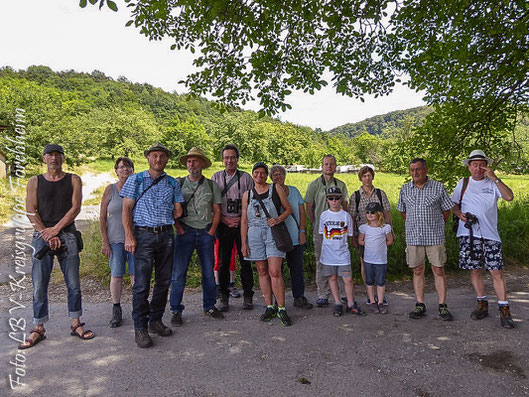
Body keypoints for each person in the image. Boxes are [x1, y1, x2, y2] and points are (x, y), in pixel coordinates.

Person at [20, 144, 94, 349]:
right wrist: (46, 232)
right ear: (44, 159)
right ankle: (38, 328)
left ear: (62, 158)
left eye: (57, 155)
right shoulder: (34, 181)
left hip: (67, 234)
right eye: (50, 155)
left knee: (73, 283)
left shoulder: (74, 179)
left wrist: (56, 230)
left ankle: (75, 323)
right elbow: (31, 211)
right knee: (39, 284)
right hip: (41, 235)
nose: (54, 158)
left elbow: (76, 207)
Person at [121, 143, 184, 348]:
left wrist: (174, 209)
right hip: (143, 236)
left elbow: (178, 210)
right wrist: (129, 236)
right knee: (141, 285)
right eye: (154, 156)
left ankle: (155, 320)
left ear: (167, 160)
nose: (158, 159)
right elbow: (126, 209)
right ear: (148, 158)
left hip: (166, 235)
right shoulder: (136, 179)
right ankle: (140, 327)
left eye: (162, 156)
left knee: (164, 282)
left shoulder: (172, 182)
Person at [451, 150, 515, 328]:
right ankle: (482, 303)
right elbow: (453, 203)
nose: (478, 168)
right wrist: (460, 215)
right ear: (469, 167)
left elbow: (509, 197)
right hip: (469, 235)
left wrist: (495, 178)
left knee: (496, 272)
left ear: (486, 166)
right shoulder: (463, 183)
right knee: (475, 270)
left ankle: (504, 309)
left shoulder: (493, 183)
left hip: (490, 235)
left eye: (481, 164)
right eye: (475, 164)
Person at [170, 147, 224, 325]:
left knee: (208, 273)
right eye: (189, 161)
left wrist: (211, 230)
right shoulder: (179, 184)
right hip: (184, 231)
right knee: (178, 273)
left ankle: (209, 306)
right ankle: (176, 310)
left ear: (202, 163)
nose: (191, 164)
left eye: (195, 161)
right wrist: (178, 228)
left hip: (205, 232)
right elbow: (172, 208)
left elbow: (217, 210)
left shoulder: (211, 185)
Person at [397, 158, 455, 321]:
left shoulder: (438, 187)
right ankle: (420, 304)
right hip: (414, 236)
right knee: (417, 270)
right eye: (412, 170)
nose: (415, 173)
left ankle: (442, 305)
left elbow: (446, 211)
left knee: (438, 270)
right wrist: (414, 224)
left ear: (426, 170)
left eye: (418, 169)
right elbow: (403, 212)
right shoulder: (405, 189)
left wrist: (434, 225)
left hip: (434, 237)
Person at [241, 162, 294, 326]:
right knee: (262, 271)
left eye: (262, 173)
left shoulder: (275, 189)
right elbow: (244, 220)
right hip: (254, 233)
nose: (259, 176)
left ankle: (282, 308)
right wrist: (244, 242)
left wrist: (277, 219)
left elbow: (288, 209)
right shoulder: (247, 195)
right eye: (256, 173)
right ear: (252, 175)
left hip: (273, 233)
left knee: (275, 271)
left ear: (266, 175)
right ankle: (269, 306)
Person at [212, 144, 255, 311]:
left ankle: (248, 296)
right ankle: (223, 296)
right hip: (223, 224)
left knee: (246, 261)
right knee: (223, 263)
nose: (229, 160)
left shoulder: (246, 178)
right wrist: (223, 219)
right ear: (222, 159)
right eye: (226, 157)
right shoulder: (216, 178)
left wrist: (242, 220)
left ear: (237, 159)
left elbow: (253, 203)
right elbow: (212, 203)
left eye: (232, 157)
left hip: (243, 224)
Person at [305, 154, 348, 307]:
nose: (329, 166)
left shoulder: (341, 184)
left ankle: (343, 294)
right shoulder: (314, 184)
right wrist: (315, 223)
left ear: (335, 166)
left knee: (341, 260)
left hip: (339, 230)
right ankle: (323, 294)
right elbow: (308, 206)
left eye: (331, 164)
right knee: (321, 261)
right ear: (322, 167)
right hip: (321, 230)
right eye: (326, 164)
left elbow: (346, 205)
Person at [270, 165, 313, 309]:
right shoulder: (269, 192)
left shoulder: (294, 191)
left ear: (285, 175)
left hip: (295, 236)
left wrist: (302, 232)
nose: (278, 176)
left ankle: (299, 297)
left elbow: (301, 213)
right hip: (278, 239)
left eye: (280, 174)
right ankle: (277, 301)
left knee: (297, 269)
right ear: (271, 177)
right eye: (275, 174)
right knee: (277, 271)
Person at [100, 157, 135, 328]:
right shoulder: (110, 190)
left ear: (132, 170)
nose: (125, 170)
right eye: (121, 167)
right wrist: (104, 241)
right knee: (117, 275)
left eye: (128, 167)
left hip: (135, 239)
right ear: (116, 170)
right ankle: (116, 308)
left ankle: (139, 307)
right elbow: (102, 217)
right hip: (115, 240)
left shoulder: (137, 188)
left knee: (136, 275)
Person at [319, 186, 366, 317]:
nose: (334, 201)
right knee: (332, 278)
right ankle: (337, 303)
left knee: (348, 279)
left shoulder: (346, 216)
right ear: (327, 200)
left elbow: (349, 235)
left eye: (337, 198)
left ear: (341, 199)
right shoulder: (324, 215)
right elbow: (322, 234)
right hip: (328, 254)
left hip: (343, 254)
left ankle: (350, 303)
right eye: (331, 198)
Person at [349, 165, 392, 305]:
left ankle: (380, 294)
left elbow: (386, 214)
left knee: (379, 264)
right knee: (364, 262)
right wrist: (353, 237)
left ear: (373, 176)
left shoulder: (380, 194)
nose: (367, 178)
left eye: (369, 175)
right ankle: (370, 294)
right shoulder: (355, 196)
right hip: (363, 233)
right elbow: (352, 217)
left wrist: (391, 232)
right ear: (360, 178)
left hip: (379, 234)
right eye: (364, 176)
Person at [358, 202, 394, 314]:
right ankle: (372, 301)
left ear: (379, 214)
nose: (369, 214)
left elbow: (390, 240)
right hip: (368, 259)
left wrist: (381, 246)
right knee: (369, 280)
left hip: (381, 260)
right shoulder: (364, 228)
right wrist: (369, 245)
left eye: (372, 212)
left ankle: (381, 302)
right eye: (367, 212)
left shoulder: (385, 228)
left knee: (381, 281)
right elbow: (360, 240)